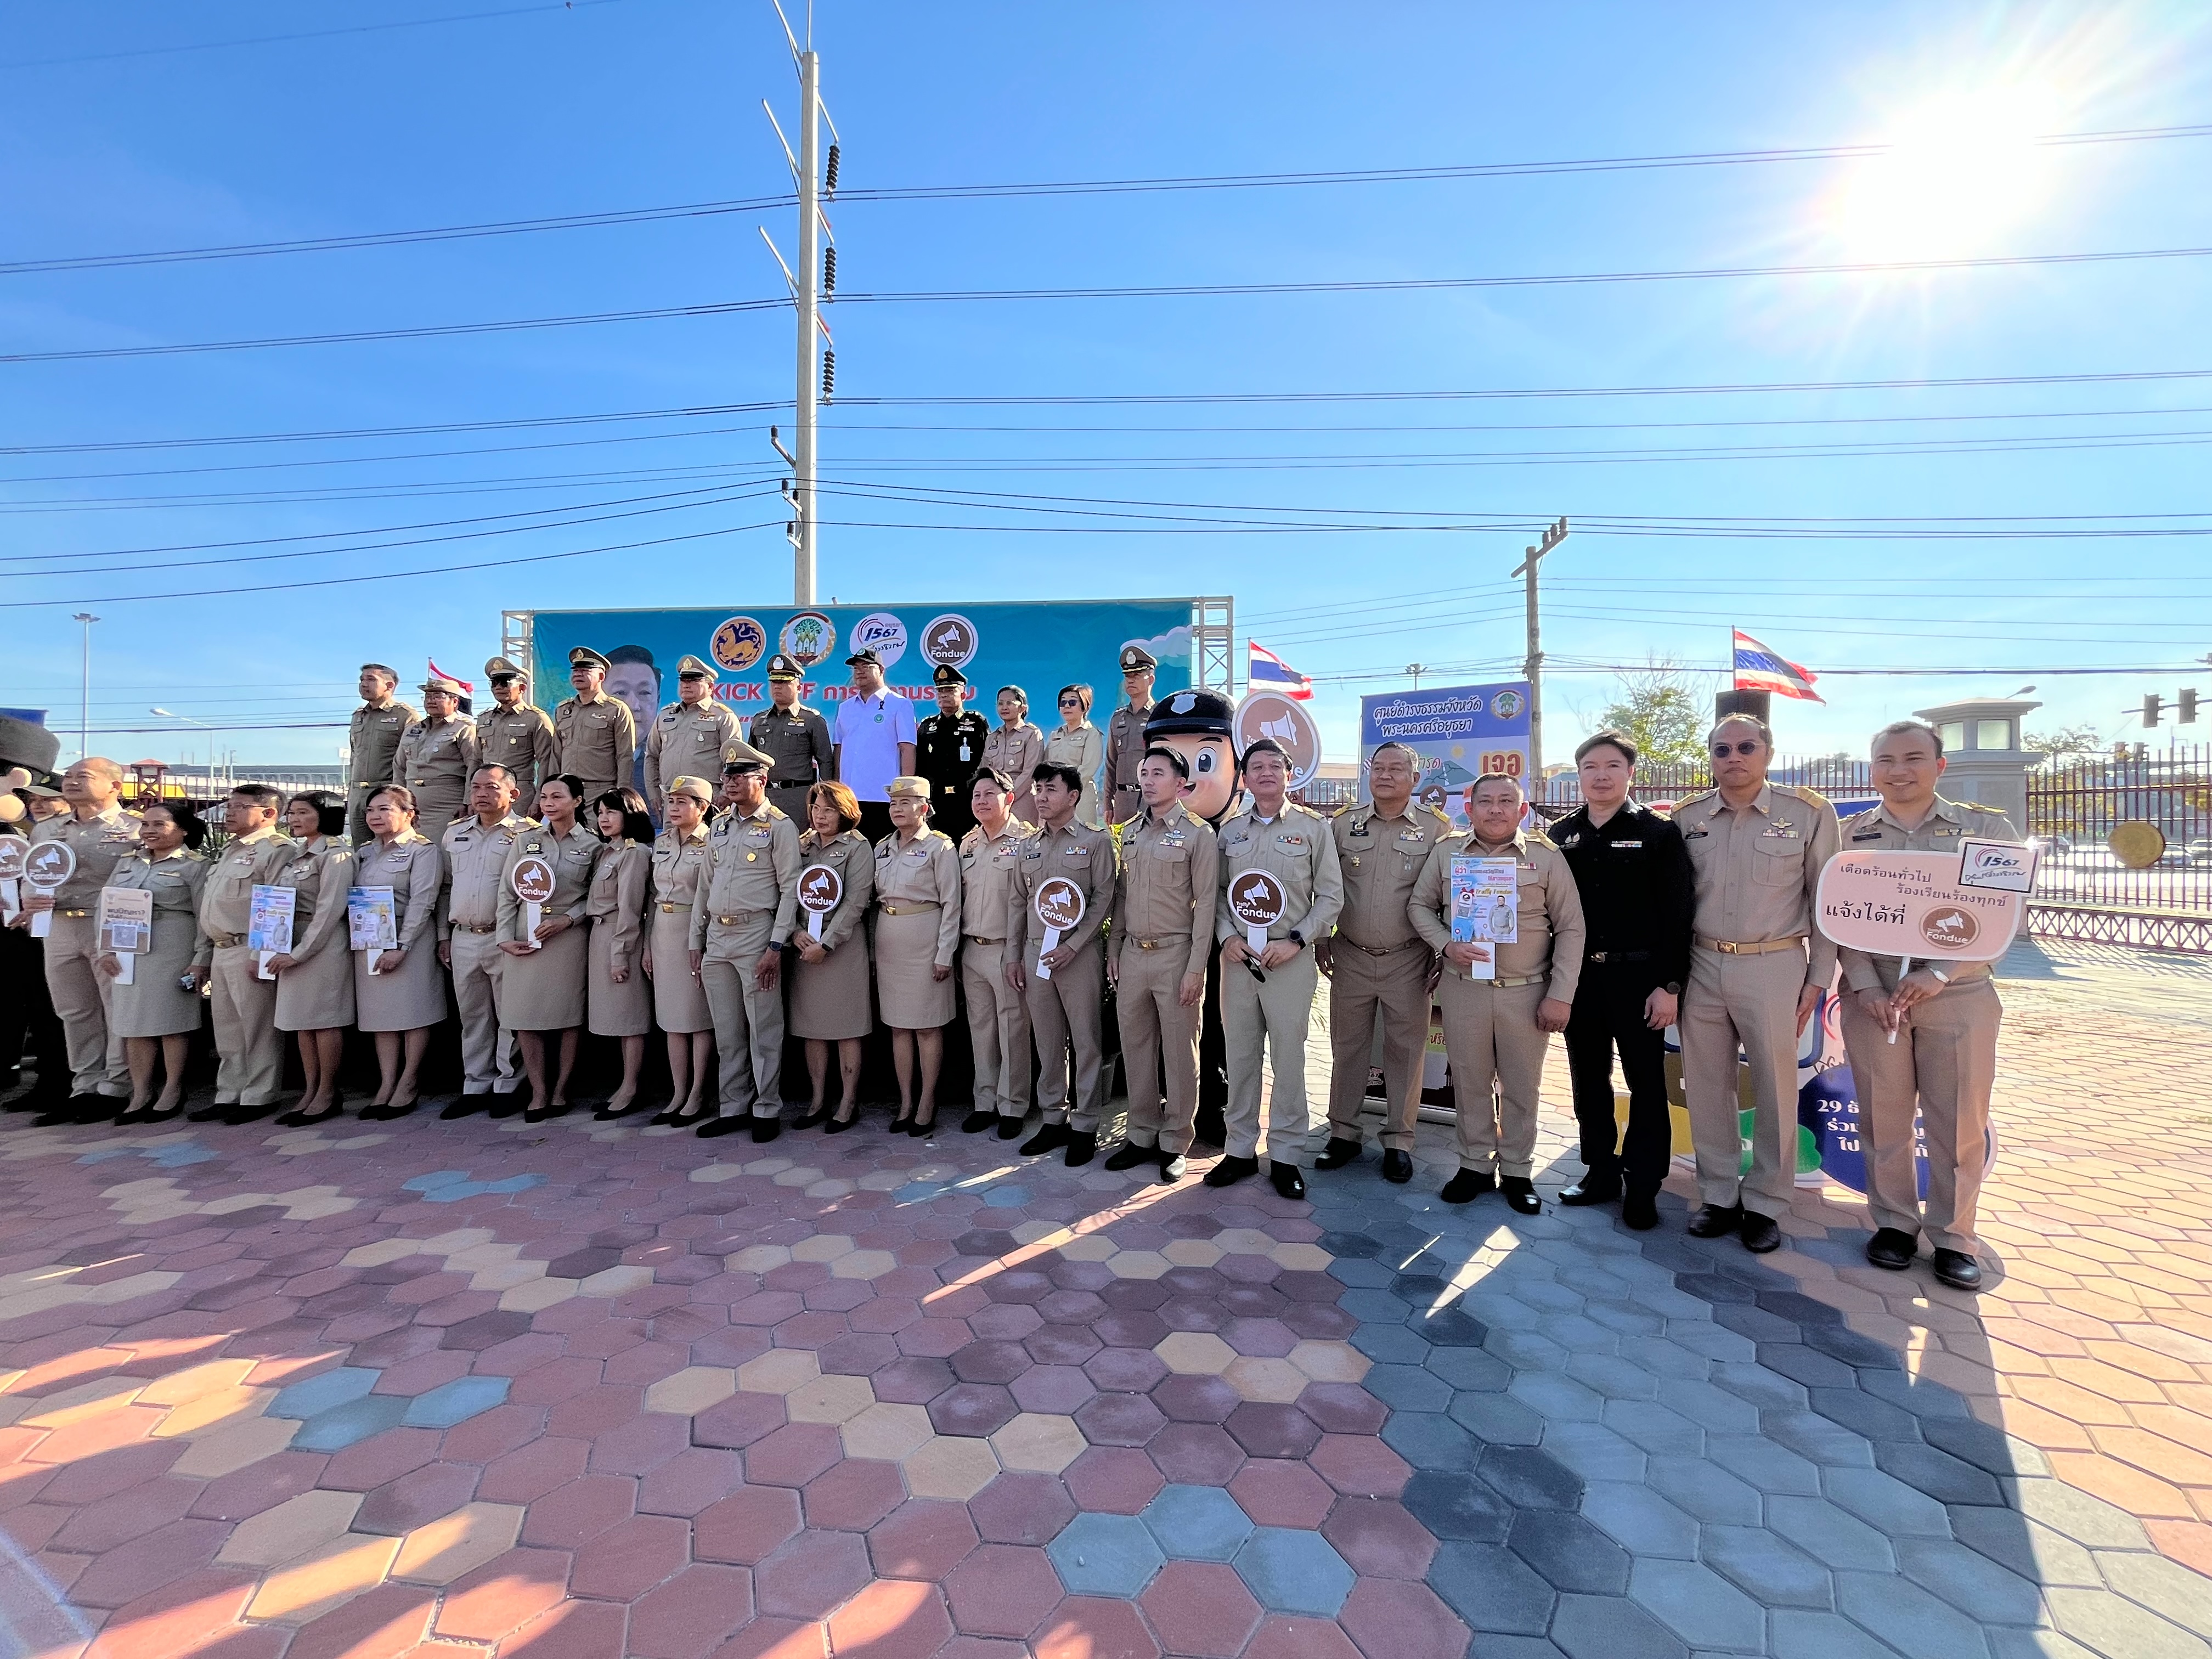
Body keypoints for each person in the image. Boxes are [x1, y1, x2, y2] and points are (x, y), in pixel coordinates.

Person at [1837, 720, 2018, 1291]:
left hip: (1958, 994)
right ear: (1873, 770)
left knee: (1958, 1123)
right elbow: (1838, 918)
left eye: (1913, 758)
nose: (1898, 770)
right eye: (1885, 760)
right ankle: (1893, 1224)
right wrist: (1865, 984)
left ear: (1939, 766)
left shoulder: (1986, 829)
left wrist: (1941, 972)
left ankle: (1953, 1237)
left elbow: (2002, 915)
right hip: (1875, 995)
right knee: (1882, 1116)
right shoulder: (1849, 836)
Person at [1675, 714, 1840, 1254]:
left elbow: (1827, 904)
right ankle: (1718, 1194)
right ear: (1712, 758)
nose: (1734, 757)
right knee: (1706, 1085)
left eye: (1746, 747)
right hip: (1702, 963)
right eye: (1722, 750)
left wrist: (1819, 976)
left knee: (1774, 1085)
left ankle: (1767, 1200)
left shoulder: (1808, 815)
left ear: (1768, 751)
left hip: (1773, 964)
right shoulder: (1689, 818)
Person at [1410, 772, 1586, 1212]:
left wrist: (1561, 994)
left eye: (1506, 801)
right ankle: (1473, 1165)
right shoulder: (1448, 852)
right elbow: (1419, 906)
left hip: (1525, 993)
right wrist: (1446, 944)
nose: (1495, 809)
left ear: (1522, 810)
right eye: (1484, 801)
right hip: (1464, 987)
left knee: (1522, 1086)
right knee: (1469, 1081)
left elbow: (1570, 927)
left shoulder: (1546, 858)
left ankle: (1517, 1171)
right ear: (1468, 809)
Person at [1549, 731, 1694, 1231]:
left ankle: (1644, 1184)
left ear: (1630, 773)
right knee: (1589, 1079)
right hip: (1581, 977)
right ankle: (1601, 1171)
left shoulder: (1658, 832)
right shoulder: (1562, 834)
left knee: (1646, 1083)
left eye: (1612, 766)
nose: (1601, 775)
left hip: (1641, 979)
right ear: (1580, 775)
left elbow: (1679, 914)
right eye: (1590, 766)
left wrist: (1670, 985)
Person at [1211, 737, 1342, 1199]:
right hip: (1239, 962)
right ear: (1244, 778)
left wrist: (1299, 940)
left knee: (1289, 1059)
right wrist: (1227, 937)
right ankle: (1240, 1150)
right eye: (1256, 767)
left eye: (1275, 766)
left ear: (1290, 773)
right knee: (1241, 1057)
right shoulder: (1229, 833)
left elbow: (1330, 896)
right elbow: (1217, 894)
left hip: (1289, 961)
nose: (1265, 773)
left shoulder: (1312, 829)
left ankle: (1285, 1156)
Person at [1315, 741, 1448, 1186]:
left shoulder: (1436, 831)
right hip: (1349, 954)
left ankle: (1399, 1140)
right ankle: (1344, 1133)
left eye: (1397, 769)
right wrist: (1320, 939)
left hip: (1409, 960)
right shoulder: (1342, 826)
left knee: (1405, 1053)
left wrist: (1442, 950)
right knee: (1347, 1048)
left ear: (1415, 779)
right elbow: (1323, 886)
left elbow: (1447, 897)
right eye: (1379, 768)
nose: (1386, 775)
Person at [1105, 746, 1219, 1183]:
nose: (1149, 781)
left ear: (1180, 783)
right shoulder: (1131, 832)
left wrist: (1196, 969)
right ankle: (1141, 1134)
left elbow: (1207, 904)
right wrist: (1114, 947)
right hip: (1133, 955)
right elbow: (1121, 896)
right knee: (1136, 1050)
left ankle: (1175, 1142)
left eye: (1158, 774)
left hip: (1176, 956)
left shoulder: (1198, 834)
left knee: (1178, 1054)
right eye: (1144, 773)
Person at [1006, 761, 1118, 1167]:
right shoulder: (1029, 845)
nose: (1040, 796)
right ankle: (1054, 1118)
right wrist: (1013, 955)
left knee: (1086, 1040)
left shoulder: (1095, 841)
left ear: (1073, 796)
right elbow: (1018, 902)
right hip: (1037, 954)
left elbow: (1104, 897)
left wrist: (1074, 945)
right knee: (1048, 1041)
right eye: (1037, 789)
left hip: (1079, 955)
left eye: (1050, 789)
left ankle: (1086, 1125)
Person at [19, 757, 141, 1123]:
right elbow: (33, 873)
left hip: (110, 927)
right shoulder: (47, 829)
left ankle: (117, 1087)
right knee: (73, 1011)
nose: (71, 782)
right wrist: (30, 897)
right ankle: (84, 1086)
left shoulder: (135, 828)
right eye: (68, 777)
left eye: (83, 777)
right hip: (58, 928)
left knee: (116, 1008)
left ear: (115, 786)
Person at [690, 741, 800, 1141]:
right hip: (717, 936)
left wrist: (775, 946)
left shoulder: (781, 827)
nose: (731, 782)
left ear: (763, 781)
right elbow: (705, 887)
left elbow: (791, 890)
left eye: (739, 776)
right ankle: (733, 1106)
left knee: (763, 1029)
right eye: (727, 776)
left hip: (757, 935)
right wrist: (694, 941)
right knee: (727, 1030)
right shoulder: (718, 825)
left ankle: (767, 1109)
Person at [95, 801, 210, 1124]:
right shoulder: (128, 862)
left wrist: (201, 959)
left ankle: (173, 1088)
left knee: (171, 1022)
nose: (149, 831)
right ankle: (141, 1091)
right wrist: (104, 949)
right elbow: (106, 905)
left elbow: (205, 916)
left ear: (183, 830)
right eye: (145, 825)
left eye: (159, 825)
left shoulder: (194, 865)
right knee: (133, 1025)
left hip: (172, 947)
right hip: (127, 949)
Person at [495, 775, 597, 1123]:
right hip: (527, 935)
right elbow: (507, 893)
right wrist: (504, 937)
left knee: (568, 1017)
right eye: (544, 797)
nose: (549, 803)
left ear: (578, 801)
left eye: (558, 796)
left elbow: (596, 899)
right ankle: (538, 1090)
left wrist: (568, 920)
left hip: (567, 938)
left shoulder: (593, 844)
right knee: (525, 1017)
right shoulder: (525, 841)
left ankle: (561, 1090)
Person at [193, 783, 296, 1124]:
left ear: (269, 813)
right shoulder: (230, 850)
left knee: (257, 1026)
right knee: (227, 1028)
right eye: (229, 806)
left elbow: (277, 904)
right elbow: (210, 907)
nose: (230, 812)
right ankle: (230, 1092)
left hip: (249, 948)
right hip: (222, 949)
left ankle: (259, 1094)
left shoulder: (277, 849)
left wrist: (262, 953)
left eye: (240, 806)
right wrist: (203, 956)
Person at [437, 765, 531, 1118]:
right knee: (473, 1017)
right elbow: (446, 888)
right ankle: (476, 1084)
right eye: (476, 787)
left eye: (491, 787)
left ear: (513, 794)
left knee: (511, 1015)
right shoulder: (454, 834)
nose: (481, 794)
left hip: (504, 937)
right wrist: (444, 935)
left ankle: (510, 1084)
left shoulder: (527, 834)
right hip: (462, 937)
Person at [348, 785, 445, 1123]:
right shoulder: (363, 853)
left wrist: (402, 946)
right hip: (371, 941)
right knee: (381, 1017)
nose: (376, 816)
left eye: (385, 809)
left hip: (410, 941)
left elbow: (423, 901)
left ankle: (410, 1079)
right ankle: (387, 1082)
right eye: (371, 810)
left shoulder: (423, 850)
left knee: (413, 1013)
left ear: (409, 814)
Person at [873, 776, 963, 1135]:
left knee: (927, 1026)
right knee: (898, 1028)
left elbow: (952, 903)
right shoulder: (881, 847)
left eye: (905, 803)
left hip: (925, 943)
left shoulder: (941, 848)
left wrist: (945, 954)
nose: (897, 809)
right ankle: (906, 1101)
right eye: (894, 803)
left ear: (924, 808)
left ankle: (927, 1100)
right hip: (889, 942)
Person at [266, 790, 354, 1124]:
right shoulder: (295, 855)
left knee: (324, 1020)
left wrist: (299, 954)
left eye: (303, 813)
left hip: (321, 947)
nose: (294, 819)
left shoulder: (336, 855)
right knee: (301, 1023)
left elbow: (330, 911)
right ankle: (310, 1088)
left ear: (325, 815)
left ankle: (329, 1091)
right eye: (291, 813)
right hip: (291, 944)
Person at [790, 781, 874, 1132]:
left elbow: (857, 901)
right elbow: (787, 892)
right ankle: (818, 1099)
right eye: (816, 809)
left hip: (840, 950)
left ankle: (848, 1101)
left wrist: (826, 944)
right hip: (804, 950)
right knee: (813, 1029)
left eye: (829, 809)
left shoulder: (858, 847)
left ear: (845, 812)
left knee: (846, 1029)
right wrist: (796, 932)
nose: (820, 816)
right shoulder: (801, 845)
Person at [957, 770, 1035, 1138]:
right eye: (976, 795)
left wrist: (1018, 954)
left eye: (990, 793)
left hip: (1008, 950)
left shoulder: (1026, 842)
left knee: (1012, 1029)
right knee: (981, 1030)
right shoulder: (968, 843)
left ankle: (1013, 1106)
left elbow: (1034, 902)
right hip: (972, 949)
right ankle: (984, 1102)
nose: (982, 800)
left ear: (1010, 798)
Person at [646, 775, 717, 1127]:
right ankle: (678, 1092)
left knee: (698, 1019)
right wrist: (647, 945)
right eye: (671, 801)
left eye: (682, 802)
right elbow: (650, 897)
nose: (673, 808)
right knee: (673, 1019)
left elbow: (710, 896)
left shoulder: (712, 844)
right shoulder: (660, 842)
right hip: (663, 929)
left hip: (696, 928)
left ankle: (699, 1092)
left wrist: (701, 941)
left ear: (703, 808)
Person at [586, 787, 654, 1119]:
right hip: (599, 936)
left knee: (630, 1018)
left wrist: (620, 955)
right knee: (616, 1017)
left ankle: (632, 1087)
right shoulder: (607, 852)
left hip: (619, 937)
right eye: (600, 812)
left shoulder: (634, 853)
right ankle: (624, 1085)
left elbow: (630, 909)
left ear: (630, 814)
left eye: (611, 812)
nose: (604, 819)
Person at [832, 648, 916, 843]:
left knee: (883, 854)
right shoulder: (845, 708)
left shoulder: (899, 704)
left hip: (884, 798)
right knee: (851, 856)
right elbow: (839, 749)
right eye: (856, 668)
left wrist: (907, 792)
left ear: (881, 670)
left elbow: (907, 748)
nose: (859, 672)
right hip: (850, 798)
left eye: (866, 667)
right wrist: (837, 789)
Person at [645, 656, 741, 823]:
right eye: (683, 680)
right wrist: (654, 793)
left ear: (710, 686)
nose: (686, 685)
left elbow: (734, 761)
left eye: (694, 680)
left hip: (707, 801)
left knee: (707, 846)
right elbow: (652, 756)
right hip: (671, 799)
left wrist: (726, 795)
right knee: (672, 846)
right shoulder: (666, 715)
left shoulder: (723, 716)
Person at [394, 676, 480, 843]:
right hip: (412, 803)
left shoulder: (464, 729)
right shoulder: (413, 729)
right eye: (427, 697)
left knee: (442, 854)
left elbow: (474, 766)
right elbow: (399, 766)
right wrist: (396, 798)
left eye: (437, 696)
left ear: (455, 701)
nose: (431, 701)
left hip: (446, 805)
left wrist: (468, 801)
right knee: (410, 852)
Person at [752, 653, 836, 824]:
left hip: (798, 797)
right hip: (764, 797)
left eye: (784, 682)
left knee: (798, 847)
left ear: (799, 687)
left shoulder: (812, 720)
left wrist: (826, 799)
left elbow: (825, 762)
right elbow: (751, 762)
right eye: (774, 682)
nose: (777, 687)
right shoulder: (759, 720)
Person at [915, 665, 990, 845]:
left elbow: (986, 761)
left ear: (963, 693)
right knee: (936, 848)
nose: (944, 695)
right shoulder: (928, 726)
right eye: (940, 691)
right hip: (935, 801)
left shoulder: (976, 723)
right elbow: (920, 765)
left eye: (950, 690)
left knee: (968, 849)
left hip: (966, 799)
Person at [555, 646, 638, 805]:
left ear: (601, 676)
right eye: (575, 670)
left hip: (600, 792)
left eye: (585, 670)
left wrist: (621, 793)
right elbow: (556, 754)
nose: (578, 674)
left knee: (597, 830)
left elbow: (625, 756)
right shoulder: (563, 710)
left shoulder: (616, 709)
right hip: (567, 791)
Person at [477, 657, 559, 816]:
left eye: (505, 683)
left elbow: (547, 762)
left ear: (522, 688)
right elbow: (476, 760)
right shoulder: (484, 719)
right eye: (494, 683)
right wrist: (469, 797)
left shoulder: (536, 718)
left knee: (518, 838)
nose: (498, 688)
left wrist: (538, 799)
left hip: (519, 794)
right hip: (486, 793)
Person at [347, 665, 418, 843]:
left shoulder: (405, 715)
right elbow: (355, 755)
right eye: (362, 680)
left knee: (391, 845)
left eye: (371, 679)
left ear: (389, 686)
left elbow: (411, 758)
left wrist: (402, 794)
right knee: (361, 850)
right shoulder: (358, 716)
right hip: (357, 793)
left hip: (387, 792)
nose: (364, 684)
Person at [1104, 644, 1159, 826]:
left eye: (1136, 675)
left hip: (1151, 800)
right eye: (1128, 676)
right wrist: (1107, 804)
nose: (1130, 680)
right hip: (1122, 803)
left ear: (1151, 679)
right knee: (1123, 854)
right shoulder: (1118, 718)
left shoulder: (1161, 716)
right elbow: (1111, 763)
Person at [1044, 684, 1107, 828]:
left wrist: (1064, 789)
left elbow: (1089, 767)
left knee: (1081, 842)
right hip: (1054, 797)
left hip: (1080, 796)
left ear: (1085, 706)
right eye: (1063, 703)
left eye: (1072, 702)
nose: (1067, 706)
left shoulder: (1092, 734)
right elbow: (1046, 766)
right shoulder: (1055, 735)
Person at [605, 644, 663, 799]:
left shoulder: (667, 757)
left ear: (658, 699)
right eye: (621, 693)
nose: (633, 706)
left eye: (644, 693)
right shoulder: (587, 750)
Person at [982, 687, 1045, 825]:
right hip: (995, 801)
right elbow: (984, 772)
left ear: (1022, 708)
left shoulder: (1032, 734)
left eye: (1010, 703)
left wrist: (1008, 796)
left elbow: (1030, 773)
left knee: (1021, 842)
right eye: (1000, 703)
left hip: (1021, 799)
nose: (1004, 707)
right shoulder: (992, 738)